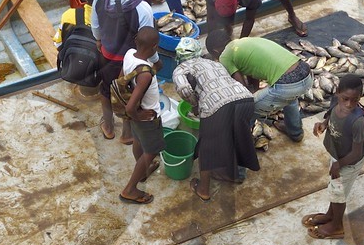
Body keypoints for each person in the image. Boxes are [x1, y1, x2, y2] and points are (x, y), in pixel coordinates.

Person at [171, 37, 260, 202]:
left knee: (206, 147)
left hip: (218, 107)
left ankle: (203, 189)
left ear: (179, 56)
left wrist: (195, 104)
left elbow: (184, 89)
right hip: (245, 100)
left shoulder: (180, 69)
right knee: (236, 136)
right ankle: (236, 174)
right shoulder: (215, 63)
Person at [92, 0, 156, 142]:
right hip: (129, 62)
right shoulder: (143, 8)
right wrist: (154, 62)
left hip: (106, 56)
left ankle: (108, 127)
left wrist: (99, 40)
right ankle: (127, 134)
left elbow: (95, 25)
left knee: (106, 90)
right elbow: (147, 42)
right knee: (129, 93)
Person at [213, 30, 311, 143]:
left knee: (246, 110)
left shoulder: (224, 56)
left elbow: (241, 88)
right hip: (305, 73)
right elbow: (252, 70)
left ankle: (242, 144)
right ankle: (296, 133)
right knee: (290, 99)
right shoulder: (245, 42)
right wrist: (256, 92)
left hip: (287, 85)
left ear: (215, 51)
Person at [303, 74, 364, 240]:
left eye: (355, 100)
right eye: (345, 99)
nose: (349, 104)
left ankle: (336, 226)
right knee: (335, 190)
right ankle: (330, 215)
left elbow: (356, 152)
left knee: (339, 195)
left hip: (348, 163)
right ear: (337, 92)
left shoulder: (358, 122)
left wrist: (339, 165)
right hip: (337, 156)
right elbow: (330, 114)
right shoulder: (335, 103)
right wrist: (323, 124)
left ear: (360, 97)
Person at [113, 25, 164, 204]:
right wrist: (138, 115)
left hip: (137, 115)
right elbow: (130, 108)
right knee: (151, 151)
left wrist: (133, 114)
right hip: (147, 117)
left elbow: (121, 79)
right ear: (155, 47)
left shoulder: (129, 54)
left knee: (138, 140)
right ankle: (130, 189)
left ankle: (143, 171)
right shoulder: (145, 74)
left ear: (136, 41)